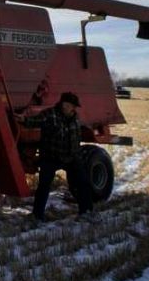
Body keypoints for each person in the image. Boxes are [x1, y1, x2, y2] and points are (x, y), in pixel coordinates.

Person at [14, 92, 94, 223]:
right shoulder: (50, 114)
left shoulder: (75, 117)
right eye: (72, 106)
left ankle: (86, 212)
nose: (74, 109)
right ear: (64, 104)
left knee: (83, 182)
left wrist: (77, 154)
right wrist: (24, 120)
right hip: (51, 157)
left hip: (71, 157)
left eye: (75, 106)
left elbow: (76, 136)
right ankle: (37, 216)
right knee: (44, 186)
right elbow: (35, 121)